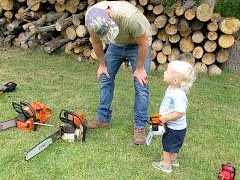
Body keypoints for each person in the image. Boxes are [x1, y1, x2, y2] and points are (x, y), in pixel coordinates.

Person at [84, 1, 152, 145]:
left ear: (109, 14)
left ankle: (139, 127)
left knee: (141, 83)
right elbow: (96, 43)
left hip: (137, 44)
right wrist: (102, 65)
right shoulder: (91, 18)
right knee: (105, 77)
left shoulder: (131, 18)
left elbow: (143, 43)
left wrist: (140, 69)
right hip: (116, 44)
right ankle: (103, 119)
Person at [152, 60, 196, 173]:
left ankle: (166, 165)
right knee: (174, 145)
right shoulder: (172, 88)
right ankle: (173, 159)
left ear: (175, 80)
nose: (165, 72)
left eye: (168, 71)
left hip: (175, 128)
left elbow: (179, 112)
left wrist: (165, 118)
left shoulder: (179, 95)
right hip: (174, 126)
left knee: (167, 145)